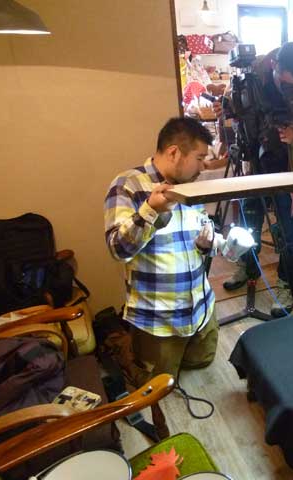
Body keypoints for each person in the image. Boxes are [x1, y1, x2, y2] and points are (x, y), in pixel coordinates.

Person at [214, 41, 293, 317]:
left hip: (291, 172)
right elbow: (234, 108)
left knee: (290, 235)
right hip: (254, 165)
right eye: (288, 83)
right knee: (249, 222)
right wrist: (226, 110)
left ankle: (287, 284)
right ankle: (247, 266)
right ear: (274, 65)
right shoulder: (252, 74)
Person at [104, 117, 219, 384]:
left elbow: (197, 236)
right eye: (200, 158)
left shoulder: (190, 185)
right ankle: (125, 349)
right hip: (158, 318)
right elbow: (117, 249)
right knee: (159, 385)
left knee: (202, 361)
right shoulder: (128, 184)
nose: (204, 166)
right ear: (174, 152)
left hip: (201, 307)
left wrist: (206, 245)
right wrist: (151, 210)